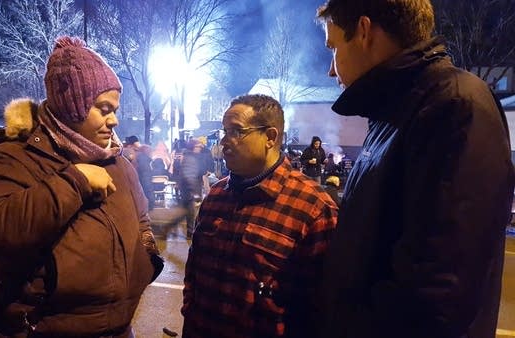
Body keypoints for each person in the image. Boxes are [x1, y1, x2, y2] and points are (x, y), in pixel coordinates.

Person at [315, 1, 515, 338]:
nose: (330, 71)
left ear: (364, 31)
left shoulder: (454, 106)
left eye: (333, 47)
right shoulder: (400, 109)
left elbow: (438, 290)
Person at [0, 36, 163, 337]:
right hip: (41, 330)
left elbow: (141, 218)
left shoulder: (118, 163)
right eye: (104, 108)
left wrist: (146, 256)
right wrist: (75, 182)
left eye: (115, 109)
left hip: (118, 330)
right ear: (73, 106)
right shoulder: (14, 155)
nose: (114, 121)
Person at [182, 94, 337, 337]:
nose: (224, 141)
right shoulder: (216, 195)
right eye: (225, 131)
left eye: (236, 131)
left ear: (270, 137)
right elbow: (194, 271)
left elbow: (322, 309)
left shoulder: (314, 208)